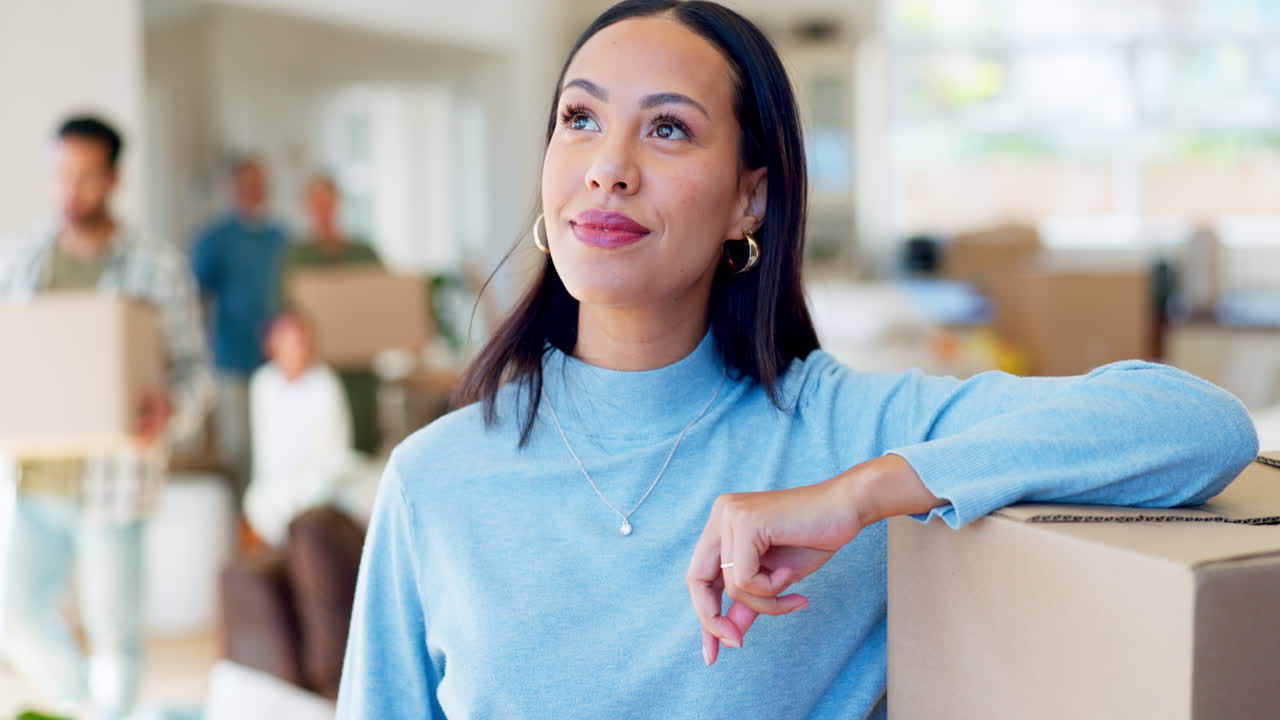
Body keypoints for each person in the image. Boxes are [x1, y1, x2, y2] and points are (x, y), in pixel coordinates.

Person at [335, 2, 1260, 718]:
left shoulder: (845, 431)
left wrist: (861, 495)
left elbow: (1197, 424)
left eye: (667, 129)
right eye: (580, 119)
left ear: (751, 201)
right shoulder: (434, 484)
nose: (607, 166)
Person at [0, 115, 213, 720]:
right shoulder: (18, 263)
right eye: (61, 176)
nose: (72, 192)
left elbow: (196, 375)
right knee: (14, 621)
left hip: (115, 484)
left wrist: (168, 410)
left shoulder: (157, 267)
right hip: (33, 482)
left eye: (87, 178)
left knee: (116, 637)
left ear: (114, 178)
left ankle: (104, 712)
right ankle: (90, 710)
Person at [191, 156, 288, 503]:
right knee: (238, 446)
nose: (255, 190)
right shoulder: (215, 238)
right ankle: (240, 521)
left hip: (277, 361)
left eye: (260, 182)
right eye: (247, 182)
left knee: (275, 442)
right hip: (232, 357)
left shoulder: (279, 238)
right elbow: (195, 296)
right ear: (235, 187)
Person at [277, 175, 384, 456]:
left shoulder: (364, 254)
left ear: (338, 205)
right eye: (316, 204)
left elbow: (387, 308)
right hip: (314, 372)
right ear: (307, 209)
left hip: (359, 373)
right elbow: (281, 317)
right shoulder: (297, 257)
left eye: (328, 203)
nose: (323, 211)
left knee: (362, 447)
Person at [244, 313, 362, 547]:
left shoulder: (325, 383)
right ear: (272, 346)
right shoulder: (263, 384)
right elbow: (264, 449)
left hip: (322, 479)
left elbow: (336, 449)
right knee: (261, 504)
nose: (298, 347)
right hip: (277, 482)